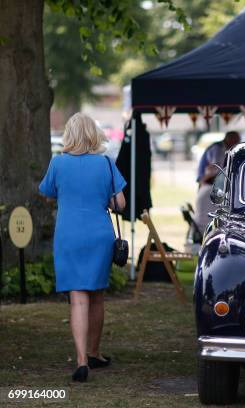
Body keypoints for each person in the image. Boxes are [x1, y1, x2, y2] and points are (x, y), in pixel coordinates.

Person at [39, 113, 127, 382]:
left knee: (77, 298)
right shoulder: (105, 163)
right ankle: (94, 352)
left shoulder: (58, 163)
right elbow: (120, 204)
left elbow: (46, 193)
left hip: (69, 235)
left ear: (69, 135)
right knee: (97, 296)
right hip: (98, 234)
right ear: (93, 134)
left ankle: (80, 361)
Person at [194, 131, 240, 230]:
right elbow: (215, 169)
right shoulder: (218, 149)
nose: (237, 143)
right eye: (236, 140)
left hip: (207, 183)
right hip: (208, 182)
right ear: (230, 139)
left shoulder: (221, 147)